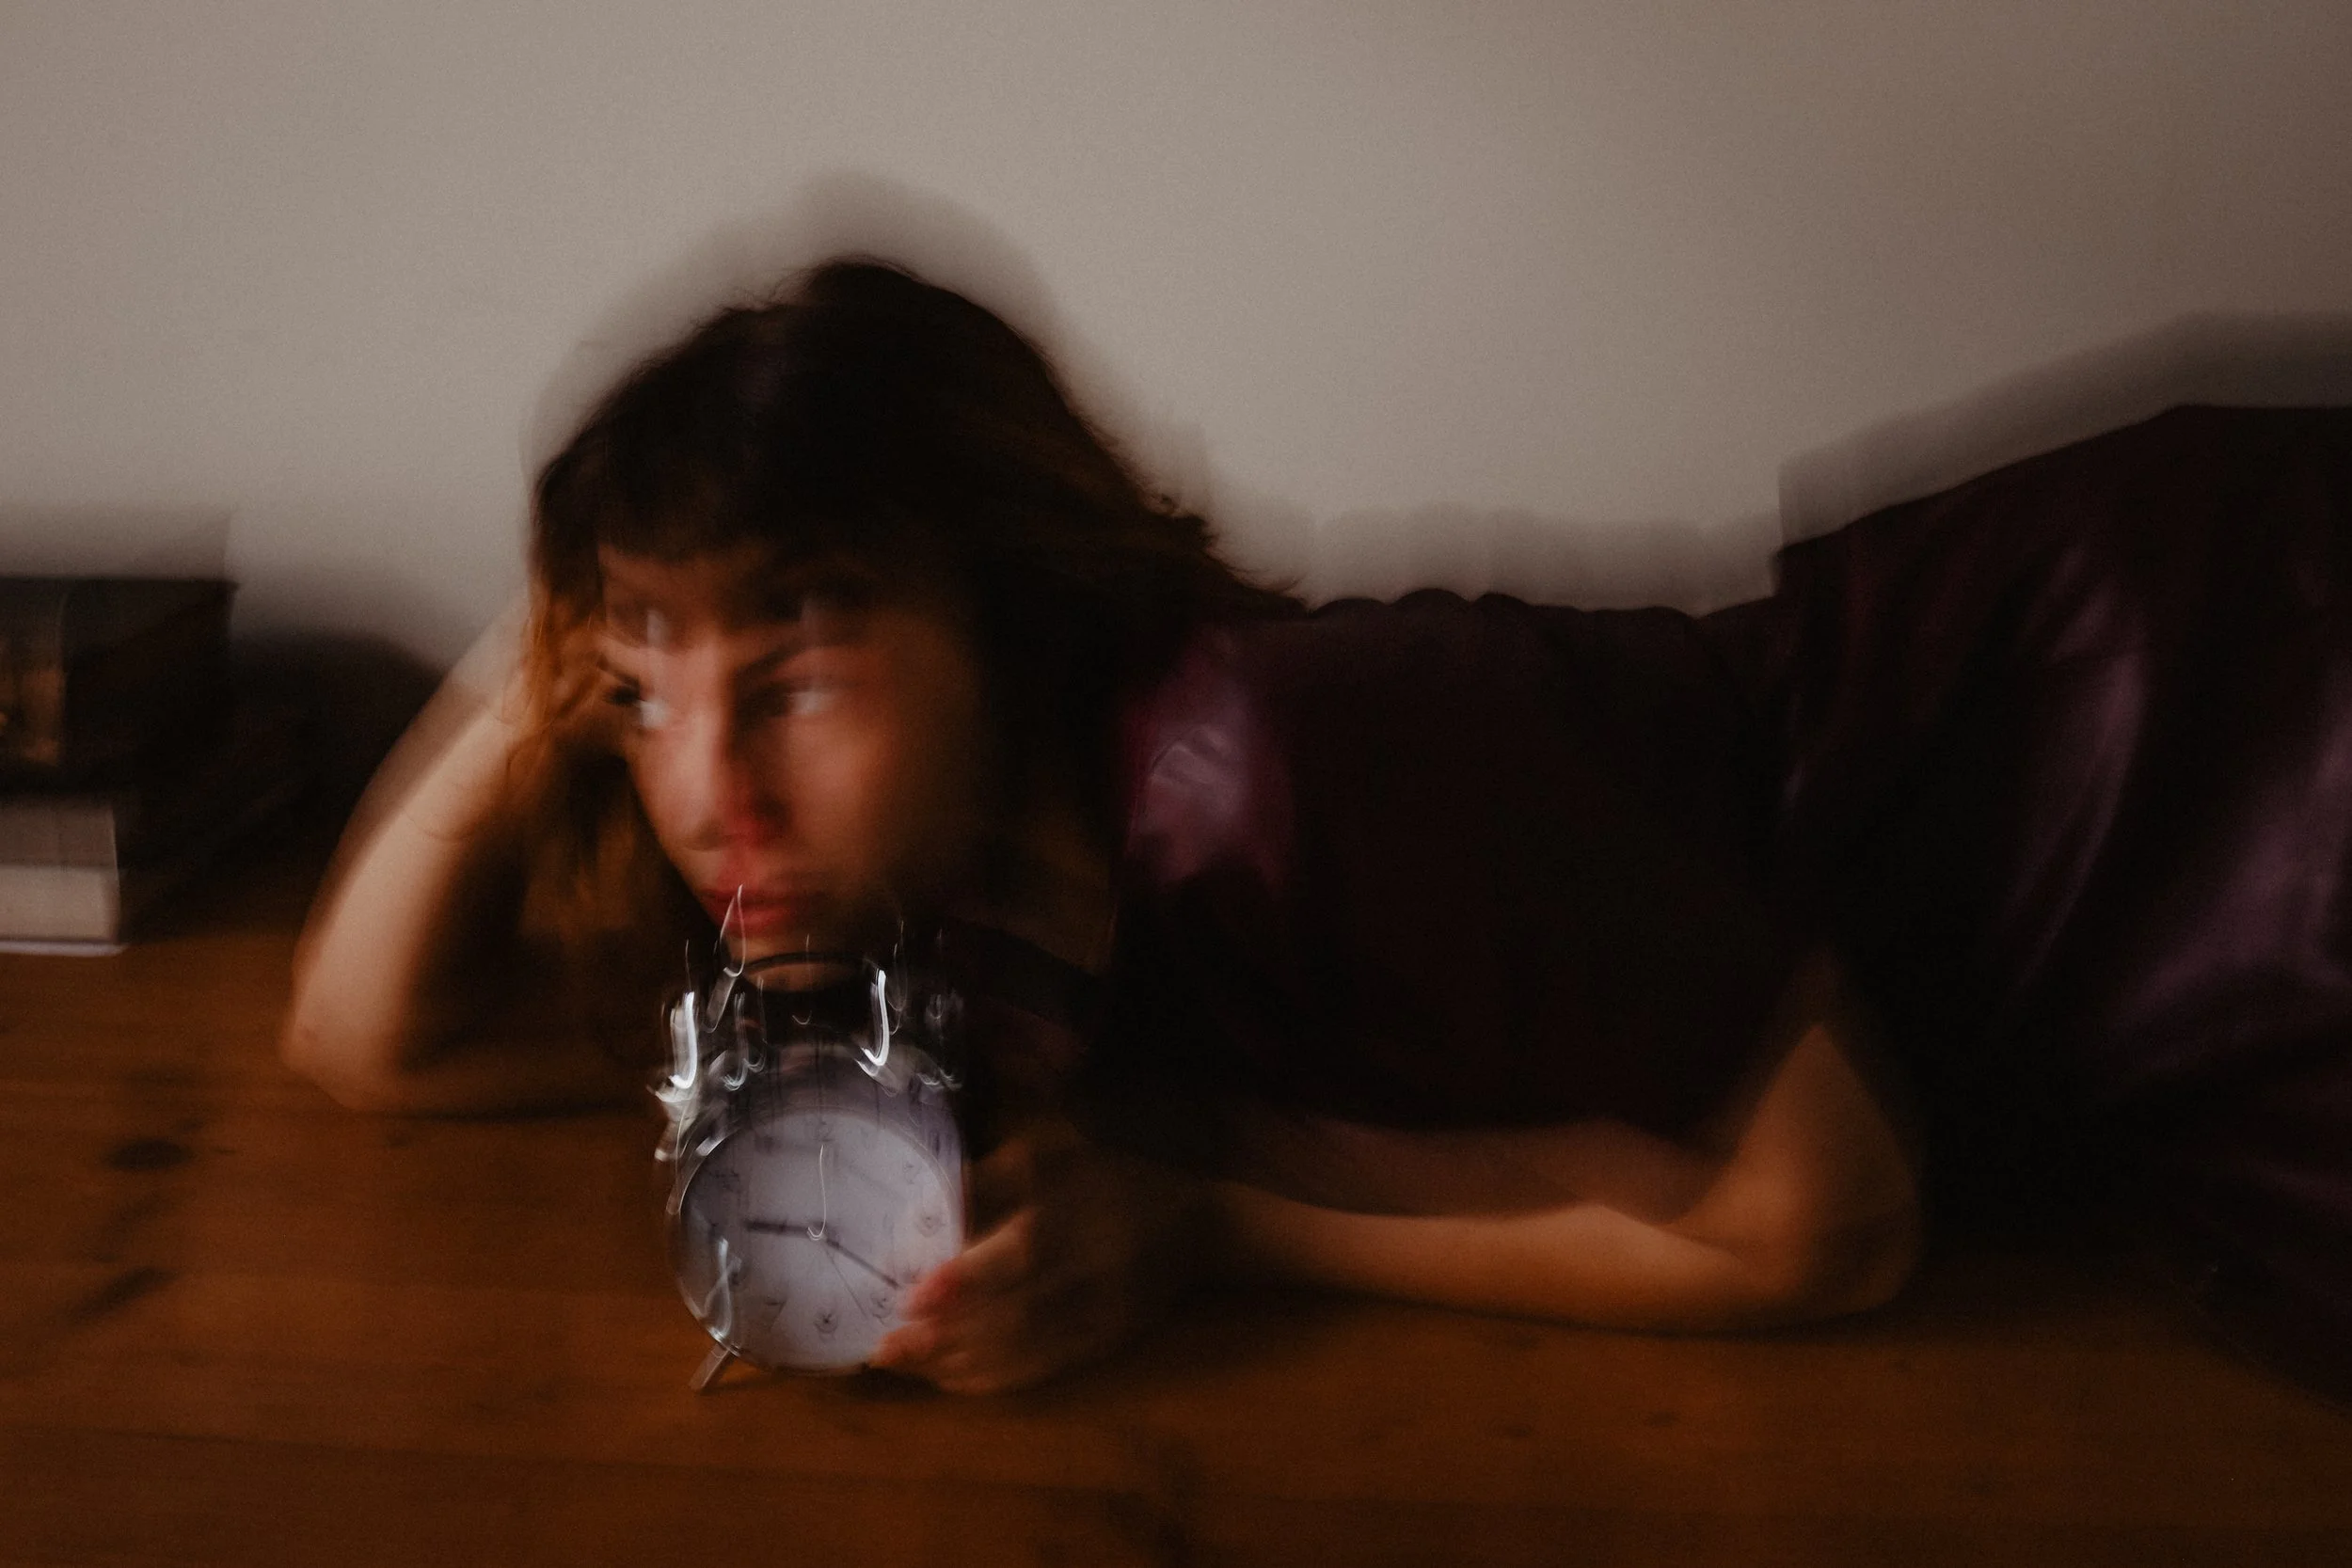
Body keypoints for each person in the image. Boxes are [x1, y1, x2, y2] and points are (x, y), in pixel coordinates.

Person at [283, 259, 2351, 1400]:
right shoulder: (917, 886)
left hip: (2211, 719)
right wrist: (570, 622)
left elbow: (1827, 1216)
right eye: (645, 691)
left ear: (1003, 611)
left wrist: (1205, 1223)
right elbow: (366, 1038)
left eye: (797, 665)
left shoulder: (1276, 760)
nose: (701, 787)